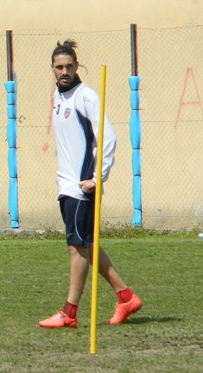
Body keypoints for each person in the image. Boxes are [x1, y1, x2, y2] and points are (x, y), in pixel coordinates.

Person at [39, 40, 143, 329]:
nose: (64, 71)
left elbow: (108, 138)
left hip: (81, 187)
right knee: (87, 246)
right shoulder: (58, 96)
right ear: (52, 69)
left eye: (69, 66)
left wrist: (97, 178)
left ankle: (69, 313)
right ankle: (126, 298)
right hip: (66, 184)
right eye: (59, 67)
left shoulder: (85, 97)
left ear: (77, 67)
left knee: (77, 248)